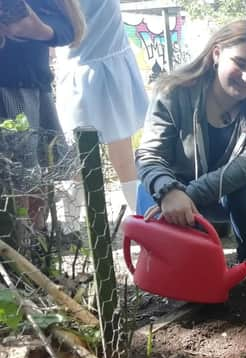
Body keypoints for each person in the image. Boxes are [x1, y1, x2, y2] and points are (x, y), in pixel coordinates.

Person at [136, 20, 246, 262]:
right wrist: (169, 191)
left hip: (218, 194)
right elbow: (150, 156)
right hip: (169, 191)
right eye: (240, 63)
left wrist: (191, 195)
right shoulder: (174, 92)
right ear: (217, 54)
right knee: (182, 265)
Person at [55, 0, 148, 211]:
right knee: (122, 159)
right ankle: (143, 219)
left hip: (79, 78)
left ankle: (70, 229)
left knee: (78, 161)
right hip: (107, 73)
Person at [0, 0, 85, 232]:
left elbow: (68, 25)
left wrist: (41, 30)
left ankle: (31, 246)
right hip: (19, 88)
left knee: (29, 175)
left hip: (24, 91)